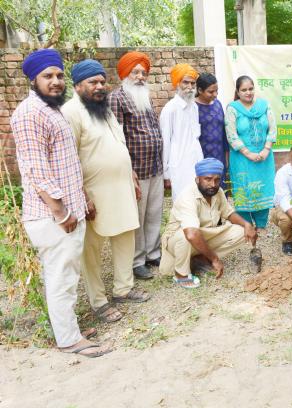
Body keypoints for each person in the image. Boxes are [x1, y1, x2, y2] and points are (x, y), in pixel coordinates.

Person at [11, 49, 111, 357]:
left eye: (58, 75)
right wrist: (60, 211)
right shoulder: (30, 113)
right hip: (52, 215)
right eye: (47, 76)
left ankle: (68, 329)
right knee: (60, 276)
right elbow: (36, 168)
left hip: (69, 210)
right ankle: (69, 340)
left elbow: (66, 163)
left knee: (65, 273)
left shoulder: (51, 109)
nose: (55, 82)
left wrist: (79, 202)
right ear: (33, 80)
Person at [62, 59, 150, 323]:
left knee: (125, 236)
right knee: (92, 249)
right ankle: (98, 302)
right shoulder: (71, 113)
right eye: (93, 82)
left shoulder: (105, 109)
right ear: (78, 86)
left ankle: (123, 289)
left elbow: (120, 146)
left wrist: (132, 177)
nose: (99, 86)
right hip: (93, 194)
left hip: (121, 187)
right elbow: (69, 159)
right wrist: (81, 196)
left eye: (102, 81)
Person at [159, 158, 257, 288]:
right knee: (185, 236)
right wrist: (215, 259)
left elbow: (228, 213)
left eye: (217, 180)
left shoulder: (218, 192)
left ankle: (199, 258)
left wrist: (247, 224)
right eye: (208, 179)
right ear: (197, 179)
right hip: (178, 239)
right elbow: (192, 234)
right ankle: (181, 275)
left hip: (203, 234)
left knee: (240, 232)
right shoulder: (187, 197)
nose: (213, 184)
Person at [109, 51, 163, 280]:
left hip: (155, 166)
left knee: (154, 213)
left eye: (144, 73)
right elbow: (116, 137)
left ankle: (153, 253)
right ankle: (137, 260)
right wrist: (127, 170)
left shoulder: (145, 96)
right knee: (137, 217)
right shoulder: (116, 98)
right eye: (136, 72)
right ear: (125, 74)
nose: (141, 77)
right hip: (135, 170)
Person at [225, 75, 276, 231]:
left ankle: (261, 226)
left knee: (263, 188)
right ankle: (246, 227)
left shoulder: (264, 105)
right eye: (244, 90)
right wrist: (248, 153)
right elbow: (231, 134)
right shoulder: (233, 108)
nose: (248, 92)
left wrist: (266, 149)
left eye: (251, 89)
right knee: (244, 189)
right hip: (242, 159)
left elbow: (273, 128)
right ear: (238, 92)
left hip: (264, 158)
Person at [160, 63, 203, 200]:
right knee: (182, 202)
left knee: (198, 200)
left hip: (196, 161)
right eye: (186, 83)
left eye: (193, 83)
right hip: (178, 165)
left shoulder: (194, 107)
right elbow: (165, 142)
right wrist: (166, 173)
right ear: (177, 83)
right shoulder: (170, 109)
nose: (190, 87)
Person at [196, 73, 228, 185]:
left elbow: (224, 133)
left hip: (219, 156)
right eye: (210, 92)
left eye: (216, 91)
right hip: (202, 157)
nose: (215, 94)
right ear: (200, 90)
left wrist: (226, 157)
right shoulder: (193, 107)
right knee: (206, 189)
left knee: (220, 190)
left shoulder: (218, 104)